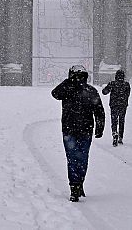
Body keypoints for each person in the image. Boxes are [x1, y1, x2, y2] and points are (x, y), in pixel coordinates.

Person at [51, 65, 105, 202]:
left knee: (73, 159)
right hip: (83, 130)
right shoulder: (88, 90)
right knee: (81, 158)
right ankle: (78, 184)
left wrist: (68, 82)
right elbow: (55, 93)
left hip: (71, 129)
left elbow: (99, 111)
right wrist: (99, 128)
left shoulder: (72, 89)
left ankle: (75, 185)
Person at [102, 69, 131, 147]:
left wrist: (106, 88)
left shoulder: (112, 84)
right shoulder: (126, 85)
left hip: (114, 105)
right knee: (122, 121)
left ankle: (115, 134)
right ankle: (120, 137)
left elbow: (104, 92)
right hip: (123, 106)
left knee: (114, 121)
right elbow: (128, 94)